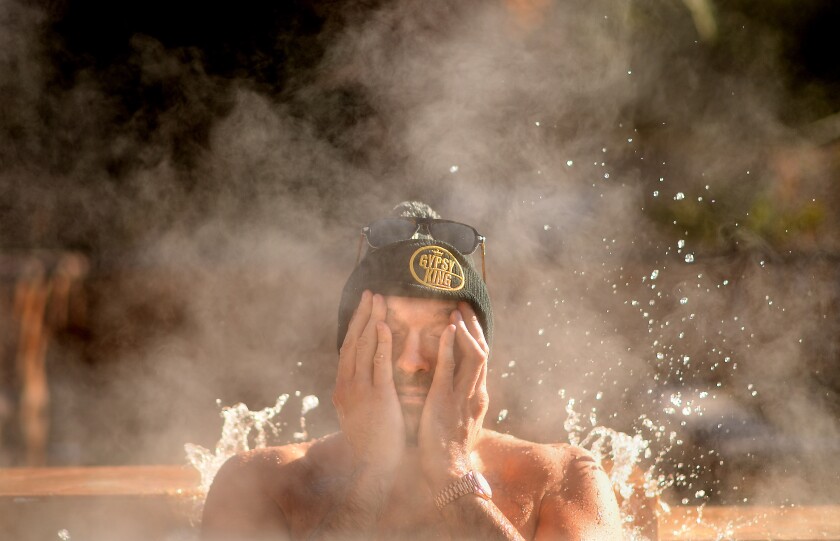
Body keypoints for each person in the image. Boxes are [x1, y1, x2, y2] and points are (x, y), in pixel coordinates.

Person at [200, 202, 623, 540]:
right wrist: (373, 474)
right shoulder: (260, 483)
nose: (412, 361)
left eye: (440, 335)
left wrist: (452, 473)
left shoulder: (563, 479)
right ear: (348, 348)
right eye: (390, 335)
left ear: (479, 354)